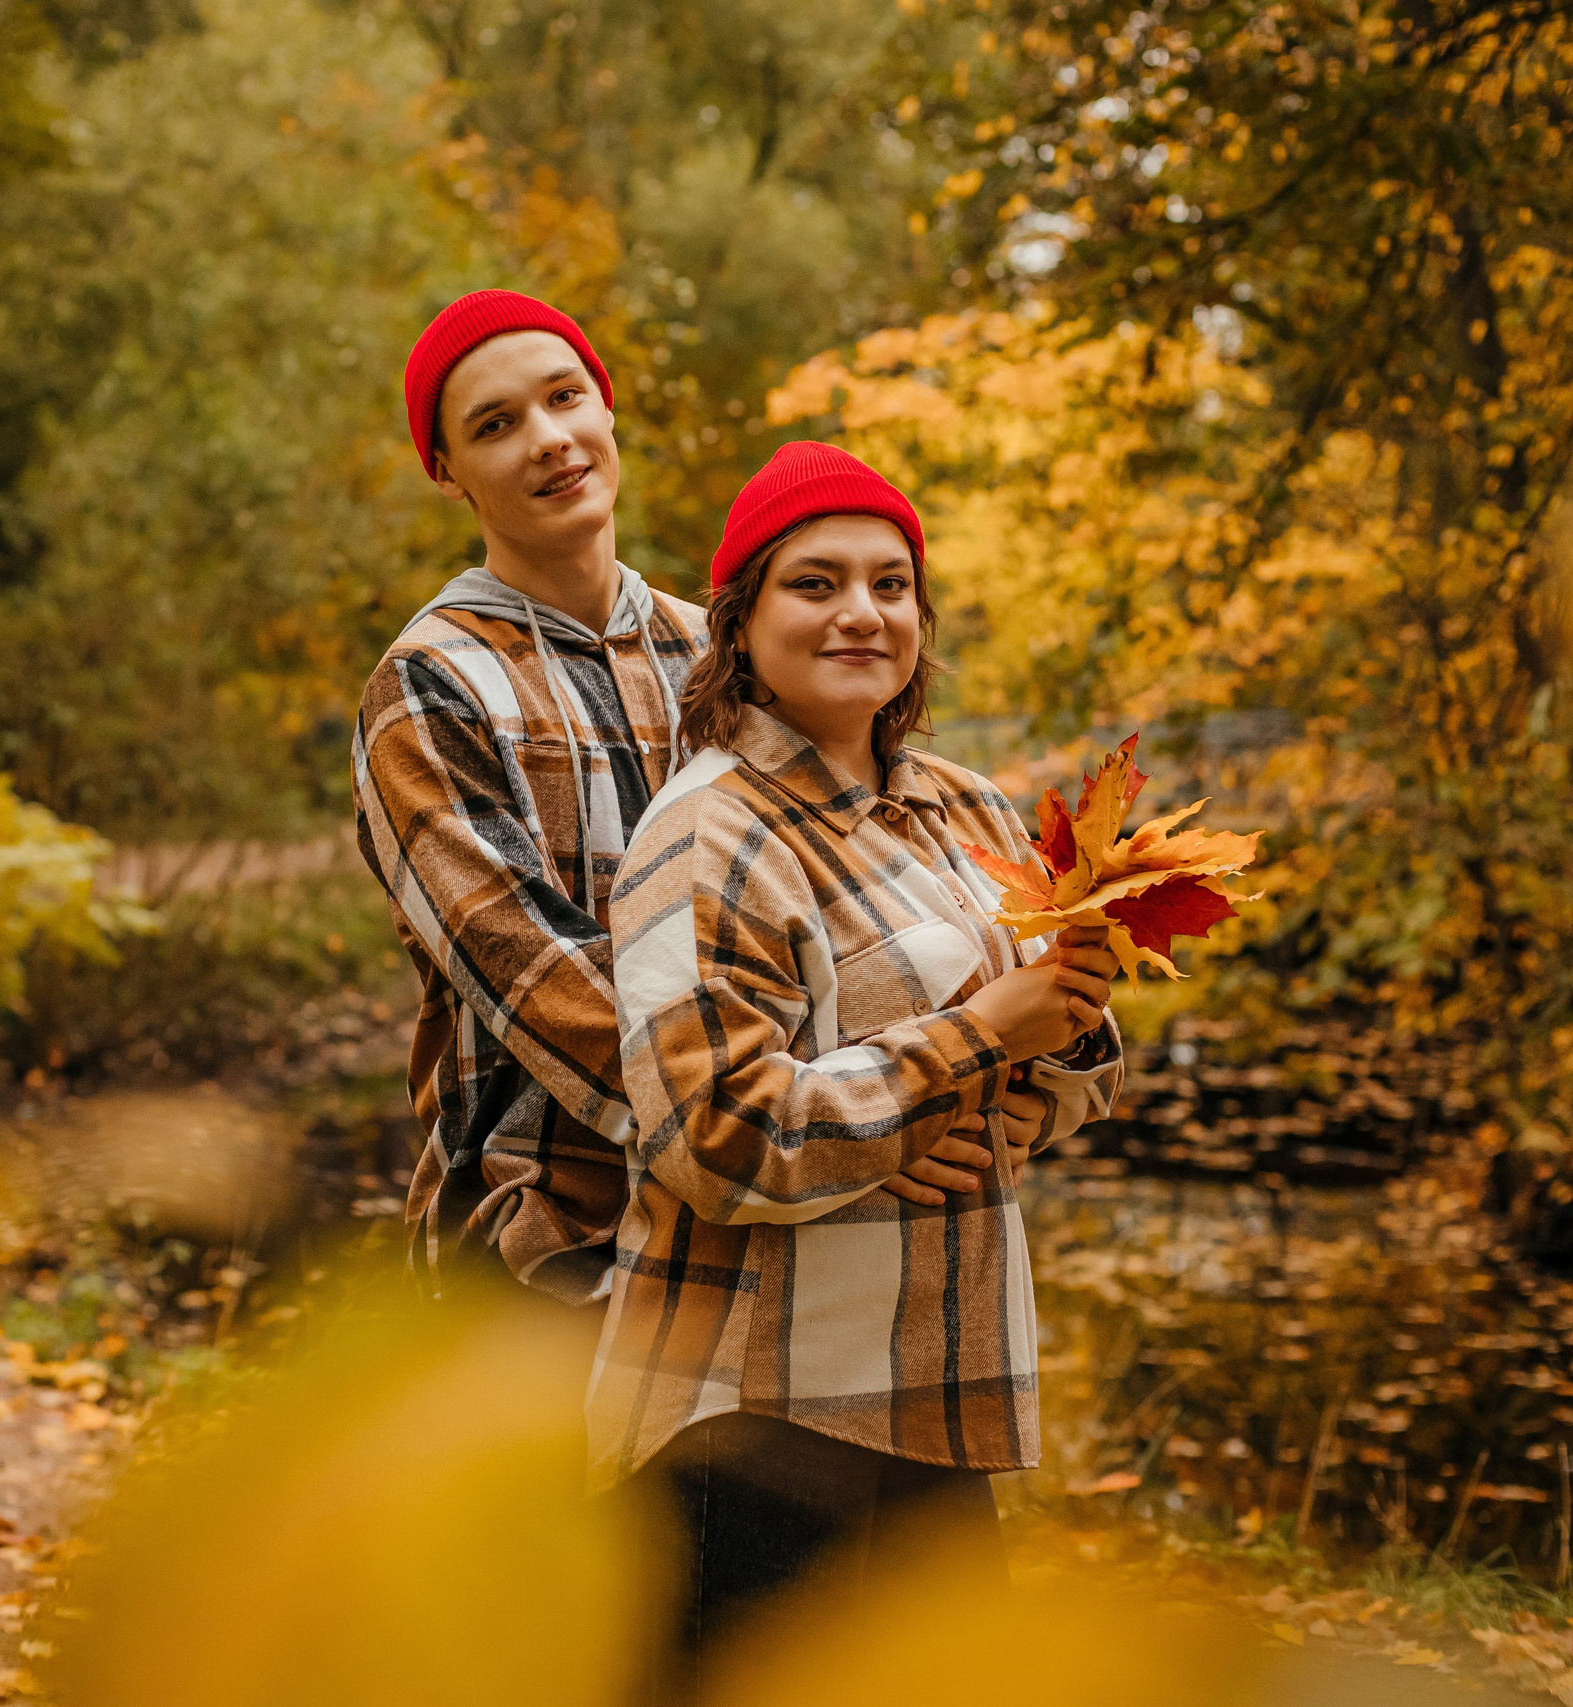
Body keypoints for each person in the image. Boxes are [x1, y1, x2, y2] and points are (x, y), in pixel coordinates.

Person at [586, 442, 1127, 1675]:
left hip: (937, 1386)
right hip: (756, 1414)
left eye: (891, 585)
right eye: (815, 583)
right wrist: (977, 1040)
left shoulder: (968, 809)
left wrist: (1056, 1045)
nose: (860, 613)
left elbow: (1071, 1074)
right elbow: (716, 1139)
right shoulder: (702, 836)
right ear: (740, 622)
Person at [353, 288, 710, 1304]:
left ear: (605, 407)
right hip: (543, 1248)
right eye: (495, 425)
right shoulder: (429, 685)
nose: (548, 440)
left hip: (760, 1242)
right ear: (446, 471)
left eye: (563, 399)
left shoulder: (725, 654)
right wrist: (782, 1128)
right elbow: (534, 980)